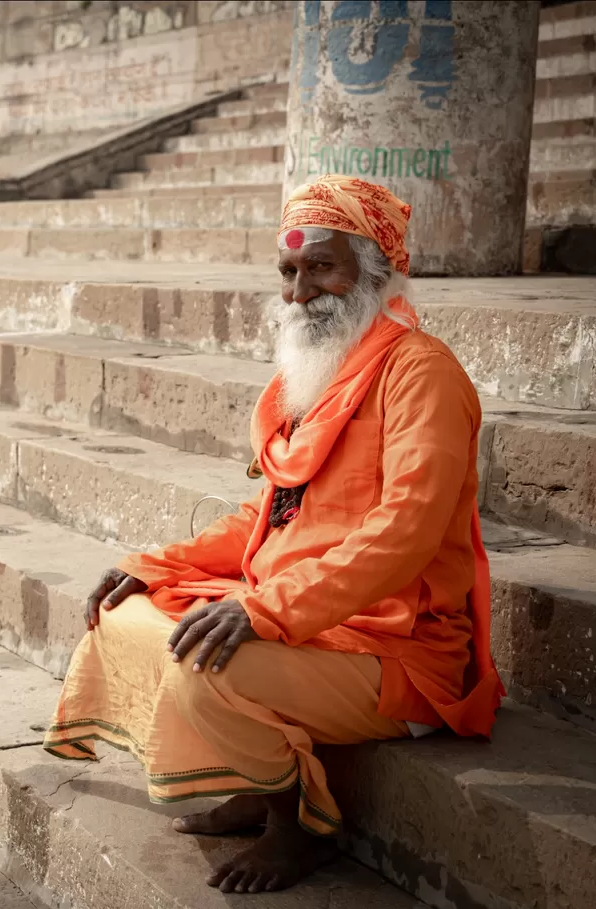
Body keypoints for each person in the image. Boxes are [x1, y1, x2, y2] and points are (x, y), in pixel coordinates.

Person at [42, 174, 504, 895]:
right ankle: (256, 783)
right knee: (127, 614)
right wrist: (156, 563)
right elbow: (270, 518)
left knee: (204, 665)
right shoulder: (329, 371)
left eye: (321, 267)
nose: (298, 294)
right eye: (288, 272)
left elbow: (404, 534)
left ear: (375, 271)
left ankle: (301, 828)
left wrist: (264, 610)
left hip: (397, 648)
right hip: (309, 613)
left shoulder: (421, 374)